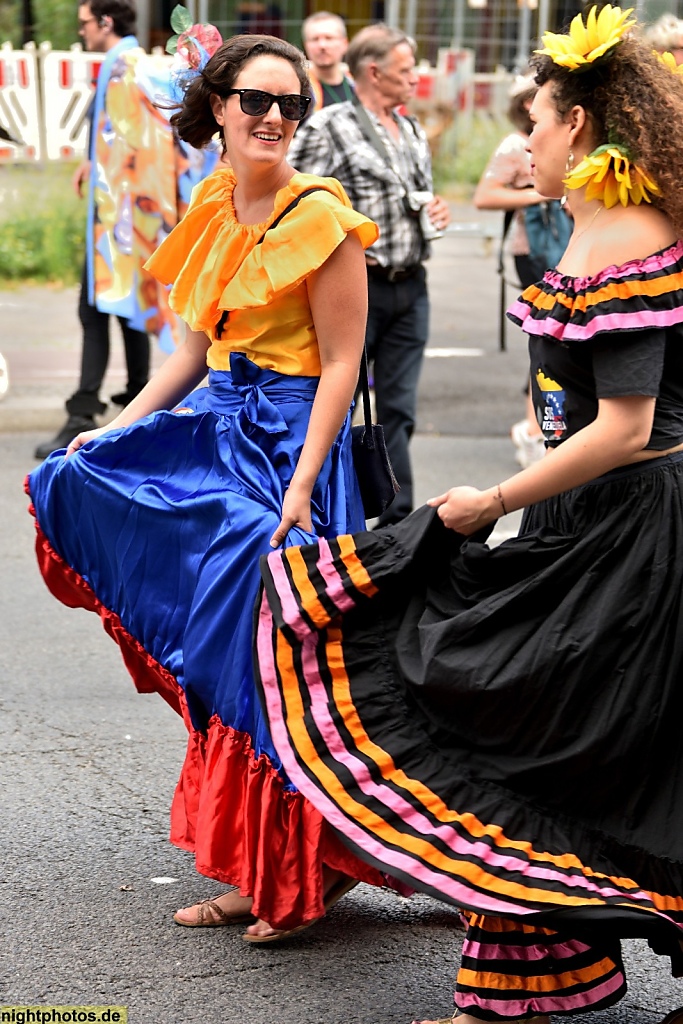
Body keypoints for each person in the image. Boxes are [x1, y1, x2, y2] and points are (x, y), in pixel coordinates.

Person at [256, 4, 683, 1019]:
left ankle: (529, 982)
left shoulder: (626, 232)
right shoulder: (607, 224)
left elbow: (625, 427)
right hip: (591, 519)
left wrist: (486, 500)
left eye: (534, 121)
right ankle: (530, 980)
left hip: (626, 528)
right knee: (575, 745)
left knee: (556, 739)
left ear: (577, 129)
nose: (524, 141)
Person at [27, 33, 391, 942]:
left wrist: (306, 483)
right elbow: (190, 354)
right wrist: (108, 433)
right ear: (219, 107)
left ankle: (299, 874)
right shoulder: (214, 201)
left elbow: (343, 364)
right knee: (227, 658)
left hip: (293, 452)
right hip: (222, 433)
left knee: (279, 664)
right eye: (257, 102)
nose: (275, 118)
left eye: (292, 106)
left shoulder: (323, 215)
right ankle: (265, 864)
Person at [34, 0, 216, 461]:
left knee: (95, 309)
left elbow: (167, 119)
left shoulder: (129, 66)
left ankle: (83, 411)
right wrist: (93, 160)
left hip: (126, 216)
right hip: (126, 212)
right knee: (124, 302)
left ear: (105, 22)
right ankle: (136, 395)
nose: (81, 33)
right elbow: (125, 127)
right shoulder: (124, 64)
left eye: (84, 24)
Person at [288, 24, 451, 526]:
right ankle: (329, 514)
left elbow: (418, 194)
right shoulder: (328, 126)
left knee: (398, 412)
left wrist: (437, 211)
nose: (416, 78)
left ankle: (398, 522)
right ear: (374, 72)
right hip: (358, 288)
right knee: (337, 408)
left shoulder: (412, 127)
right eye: (406, 70)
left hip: (412, 284)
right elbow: (294, 202)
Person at [474, 74, 570, 470]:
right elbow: (484, 196)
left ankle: (542, 429)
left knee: (559, 342)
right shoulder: (516, 145)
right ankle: (537, 430)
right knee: (551, 341)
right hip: (534, 253)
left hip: (564, 249)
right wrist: (544, 192)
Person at [301, 11, 354, 110]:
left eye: (329, 38)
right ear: (306, 45)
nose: (322, 45)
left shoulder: (358, 84)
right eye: (315, 39)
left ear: (345, 44)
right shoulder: (299, 88)